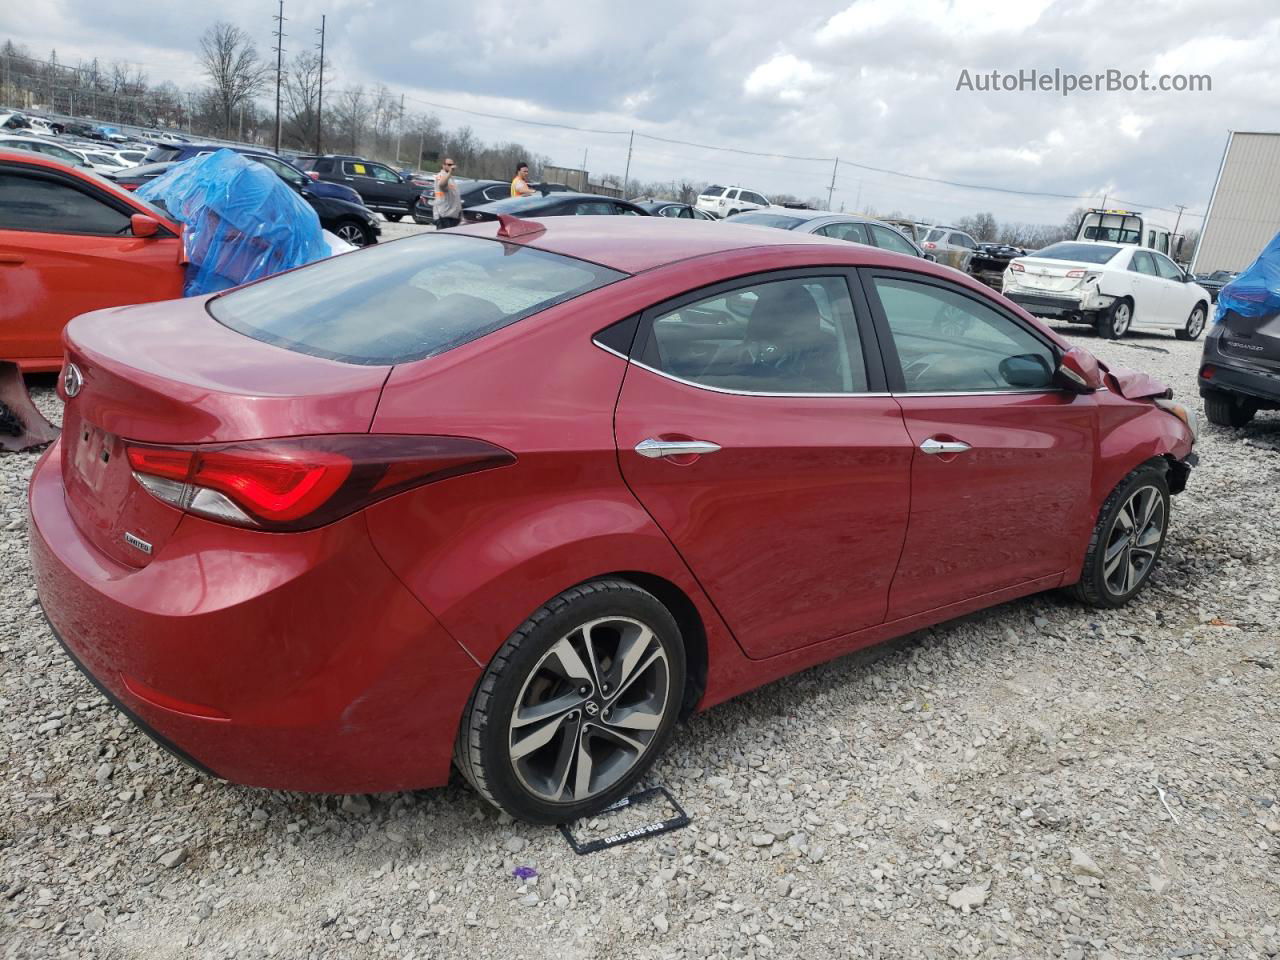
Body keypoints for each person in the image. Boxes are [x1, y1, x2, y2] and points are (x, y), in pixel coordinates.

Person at [432, 157, 462, 229]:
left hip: (452, 216)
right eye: (449, 164)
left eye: (452, 165)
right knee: (443, 239)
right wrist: (450, 173)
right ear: (443, 165)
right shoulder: (440, 175)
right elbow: (441, 184)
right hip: (444, 216)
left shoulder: (450, 178)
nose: (451, 166)